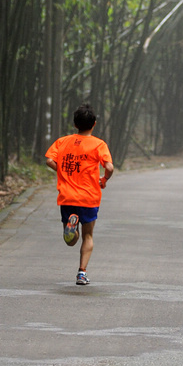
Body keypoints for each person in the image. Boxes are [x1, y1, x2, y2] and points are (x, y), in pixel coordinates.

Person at [45, 102, 114, 286]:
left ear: (75, 124)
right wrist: (104, 179)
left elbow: (49, 160)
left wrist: (61, 171)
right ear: (94, 123)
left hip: (67, 196)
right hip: (89, 197)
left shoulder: (63, 141)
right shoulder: (99, 144)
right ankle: (82, 273)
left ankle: (71, 226)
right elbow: (109, 166)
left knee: (70, 240)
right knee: (88, 236)